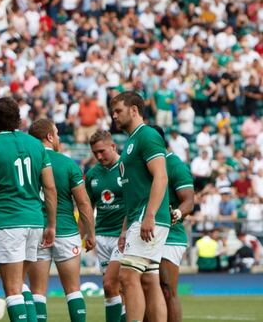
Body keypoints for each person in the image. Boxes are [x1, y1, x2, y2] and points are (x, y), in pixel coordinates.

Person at [0, 97, 57, 322]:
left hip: (10, 222)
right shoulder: (36, 145)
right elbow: (49, 187)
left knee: (11, 290)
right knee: (19, 284)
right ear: (17, 118)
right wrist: (51, 224)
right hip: (36, 221)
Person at [111, 92, 170, 322]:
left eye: (119, 111)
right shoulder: (131, 141)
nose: (114, 116)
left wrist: (150, 216)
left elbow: (161, 177)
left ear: (134, 110)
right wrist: (126, 228)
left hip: (148, 216)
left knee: (126, 277)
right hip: (139, 216)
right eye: (113, 112)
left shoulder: (147, 136)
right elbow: (133, 192)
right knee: (148, 279)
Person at [27, 119, 94, 322]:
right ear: (49, 137)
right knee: (73, 289)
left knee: (38, 292)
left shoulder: (27, 163)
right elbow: (83, 203)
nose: (57, 138)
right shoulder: (67, 163)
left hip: (38, 230)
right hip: (66, 230)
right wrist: (90, 233)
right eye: (56, 134)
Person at [150, 125, 195, 322]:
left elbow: (189, 200)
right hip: (148, 234)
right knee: (146, 289)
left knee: (167, 288)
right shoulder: (146, 165)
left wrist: (177, 212)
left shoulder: (174, 163)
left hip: (171, 235)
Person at [85, 130, 126, 322]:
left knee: (111, 284)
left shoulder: (127, 168)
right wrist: (87, 234)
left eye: (102, 151)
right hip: (102, 236)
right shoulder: (92, 174)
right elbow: (87, 206)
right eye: (95, 153)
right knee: (112, 290)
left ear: (113, 146)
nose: (99, 156)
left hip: (123, 235)